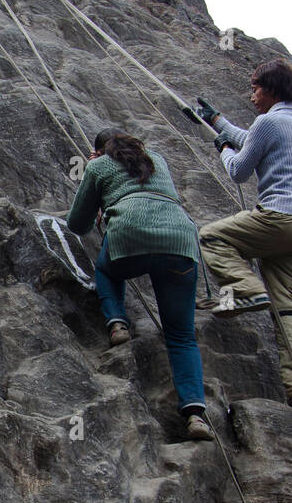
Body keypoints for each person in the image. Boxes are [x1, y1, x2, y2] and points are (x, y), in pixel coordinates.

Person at [196, 59, 292, 412]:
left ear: (271, 89)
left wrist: (223, 150)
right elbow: (253, 139)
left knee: (211, 237)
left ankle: (248, 291)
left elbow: (239, 170)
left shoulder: (268, 122)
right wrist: (216, 122)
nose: (251, 94)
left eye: (255, 88)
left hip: (282, 218)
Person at [67, 130, 212, 441]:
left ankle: (117, 323)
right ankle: (196, 414)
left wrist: (96, 189)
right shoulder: (156, 161)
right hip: (180, 242)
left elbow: (77, 224)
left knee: (106, 269)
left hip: (129, 236)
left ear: (98, 151)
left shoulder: (98, 167)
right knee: (182, 336)